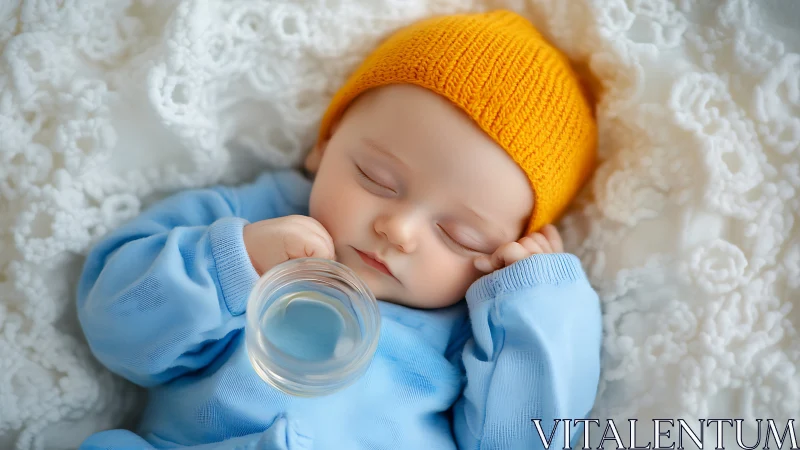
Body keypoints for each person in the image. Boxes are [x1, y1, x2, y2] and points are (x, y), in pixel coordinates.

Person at [76, 10, 602, 450]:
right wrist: (236, 262)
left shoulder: (472, 325)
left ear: (499, 252)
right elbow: (113, 323)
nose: (398, 230)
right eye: (376, 179)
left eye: (460, 234)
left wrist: (539, 305)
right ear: (325, 145)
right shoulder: (254, 217)